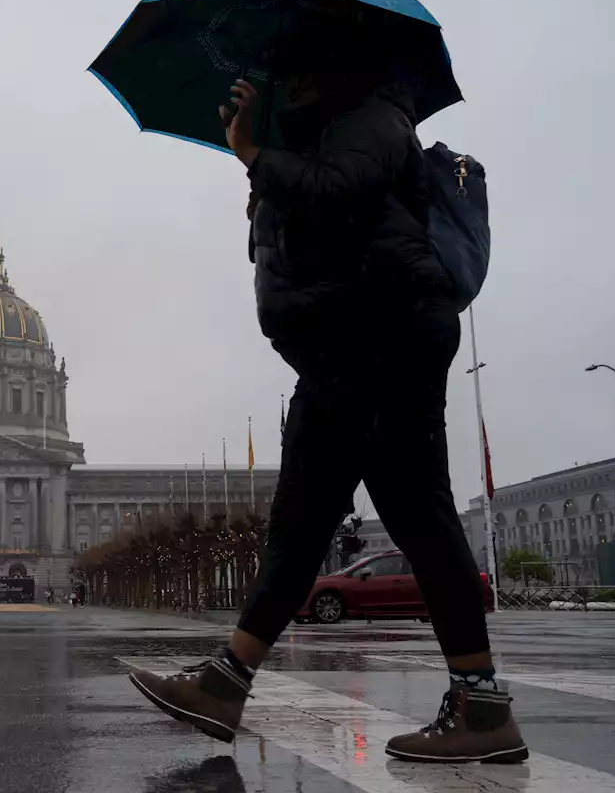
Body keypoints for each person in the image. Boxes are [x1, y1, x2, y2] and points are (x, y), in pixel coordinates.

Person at [129, 44, 526, 764]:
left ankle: (483, 703)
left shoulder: (373, 118)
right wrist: (263, 191)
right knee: (302, 524)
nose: (287, 82)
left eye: (297, 69)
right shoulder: (313, 142)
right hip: (342, 347)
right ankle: (227, 680)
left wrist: (258, 157)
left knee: (418, 513)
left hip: (384, 332)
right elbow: (313, 233)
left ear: (336, 69)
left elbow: (338, 195)